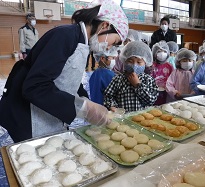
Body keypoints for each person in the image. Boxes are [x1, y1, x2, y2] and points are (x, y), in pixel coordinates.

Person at [0, 0, 128, 143]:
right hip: (27, 115)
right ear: (105, 25)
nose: (109, 48)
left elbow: (68, 78)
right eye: (114, 42)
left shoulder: (82, 43)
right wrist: (84, 108)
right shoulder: (65, 36)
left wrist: (86, 101)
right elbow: (35, 86)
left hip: (48, 111)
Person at [104, 41, 158, 112]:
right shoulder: (118, 79)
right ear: (124, 60)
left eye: (139, 62)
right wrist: (112, 106)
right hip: (123, 119)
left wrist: (137, 85)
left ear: (146, 63)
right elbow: (108, 96)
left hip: (141, 119)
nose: (134, 65)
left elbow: (151, 100)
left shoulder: (149, 80)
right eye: (130, 61)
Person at [150, 41, 174, 105]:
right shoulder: (151, 65)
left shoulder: (169, 66)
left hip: (166, 92)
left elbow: (172, 80)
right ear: (154, 53)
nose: (162, 53)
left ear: (168, 53)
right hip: (153, 92)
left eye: (164, 51)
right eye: (159, 51)